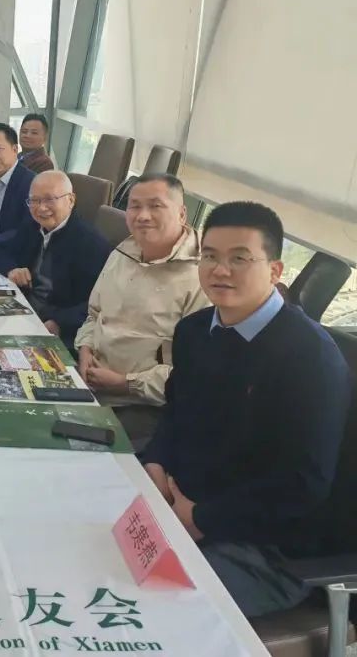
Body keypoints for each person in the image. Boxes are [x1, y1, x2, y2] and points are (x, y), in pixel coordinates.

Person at [142, 202, 350, 617]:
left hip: (266, 547)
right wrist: (155, 463)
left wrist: (201, 518)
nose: (220, 270)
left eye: (240, 258)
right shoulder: (194, 331)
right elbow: (176, 412)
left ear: (274, 270)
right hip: (183, 501)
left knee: (144, 606)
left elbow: (303, 483)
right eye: (210, 256)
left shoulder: (310, 357)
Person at [73, 175, 210, 448]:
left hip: (143, 407)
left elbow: (191, 373)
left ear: (182, 213)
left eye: (155, 206)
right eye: (134, 206)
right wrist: (85, 349)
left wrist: (125, 383)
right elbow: (94, 314)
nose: (143, 216)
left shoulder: (202, 276)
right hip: (90, 383)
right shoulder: (123, 252)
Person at [0, 171, 111, 350]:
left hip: (58, 329)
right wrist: (12, 269)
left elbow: (99, 304)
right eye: (34, 200)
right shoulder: (34, 226)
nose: (41, 208)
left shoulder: (90, 244)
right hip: (23, 310)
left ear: (71, 200)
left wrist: (60, 322)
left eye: (49, 199)